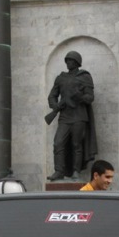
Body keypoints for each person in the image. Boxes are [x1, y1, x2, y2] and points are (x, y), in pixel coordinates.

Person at [46, 51, 97, 181]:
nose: (68, 63)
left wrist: (79, 96)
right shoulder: (61, 78)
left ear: (77, 63)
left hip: (79, 116)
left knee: (76, 145)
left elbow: (90, 97)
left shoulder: (84, 77)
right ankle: (59, 171)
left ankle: (76, 171)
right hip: (64, 116)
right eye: (67, 60)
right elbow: (52, 95)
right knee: (58, 143)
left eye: (71, 61)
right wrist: (55, 105)